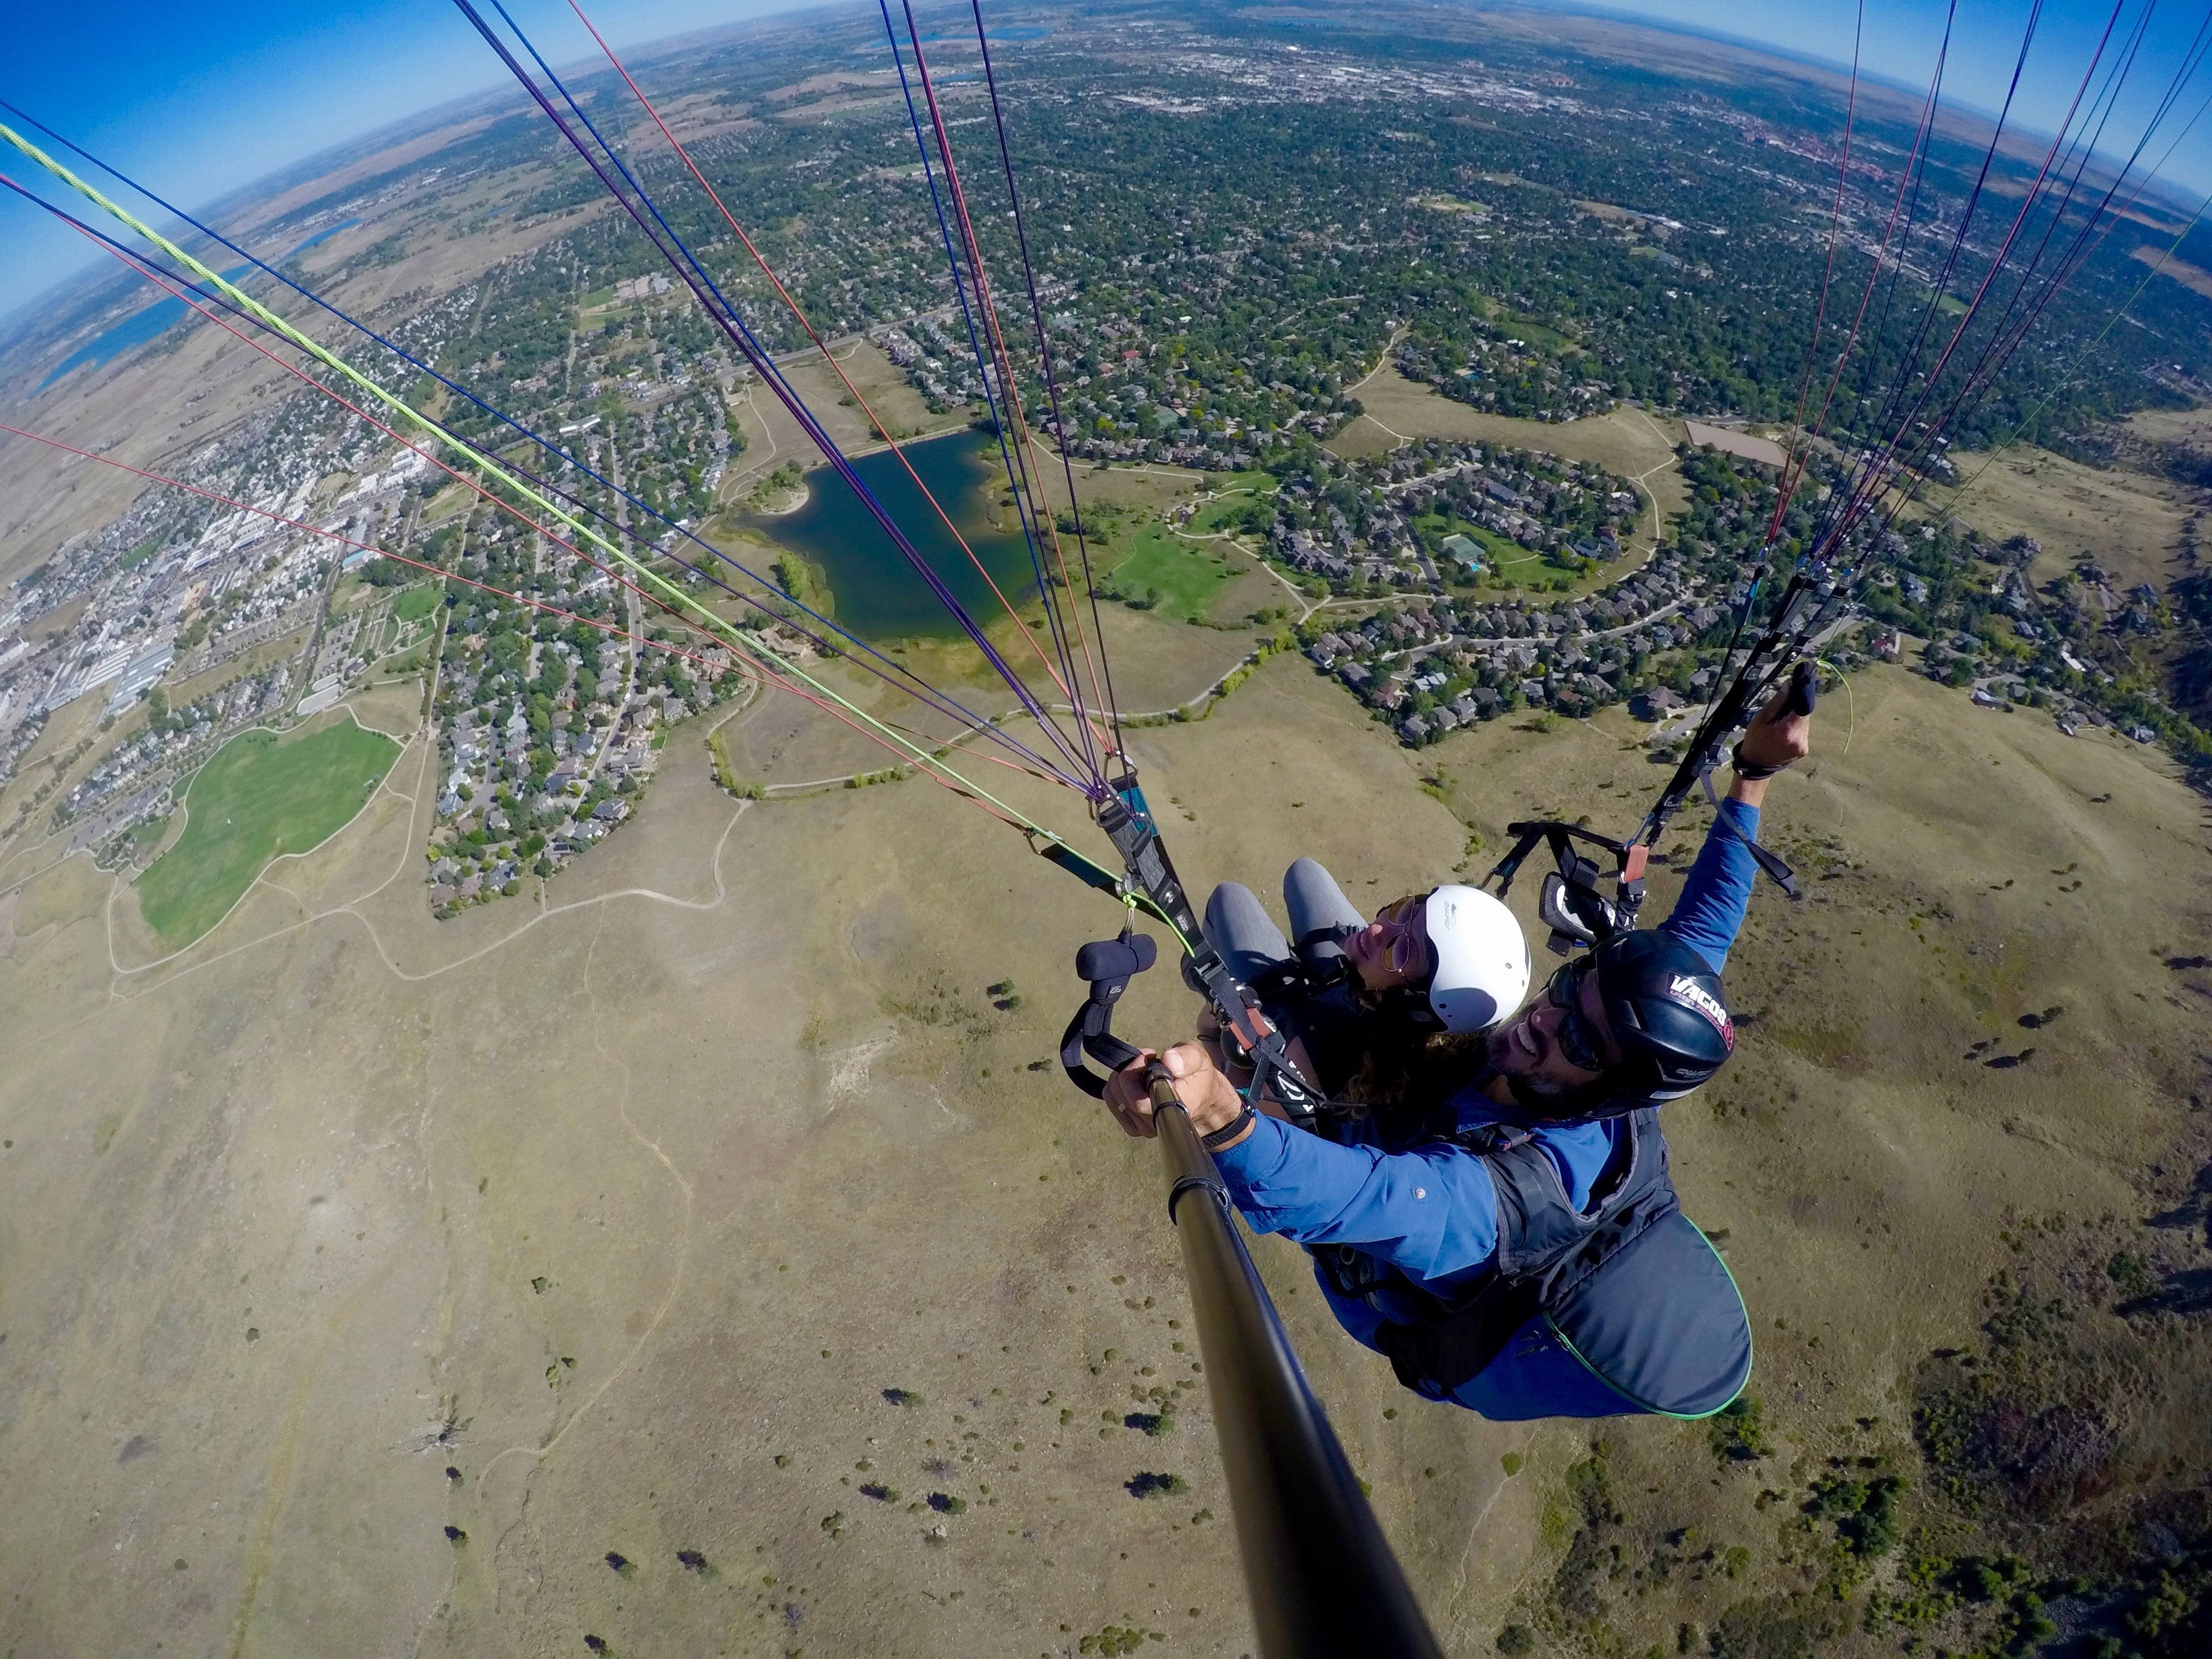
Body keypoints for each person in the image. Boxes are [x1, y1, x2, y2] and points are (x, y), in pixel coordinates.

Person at [1100, 680, 1814, 1421]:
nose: (1546, 1018)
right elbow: (1702, 936)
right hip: (1418, 1101)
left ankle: (1258, 1047)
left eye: (1576, 1037)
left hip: (1364, 1161)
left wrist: (1221, 1113)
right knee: (1288, 910)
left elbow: (1357, 1195)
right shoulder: (1619, 1073)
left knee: (1235, 947)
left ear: (1610, 1089)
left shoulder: (1486, 1210)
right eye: (1569, 989)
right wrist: (1753, 777)